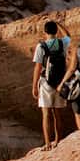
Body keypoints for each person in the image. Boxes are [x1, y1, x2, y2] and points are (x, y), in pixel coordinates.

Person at [31, 20, 70, 150]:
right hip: (60, 83)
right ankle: (58, 141)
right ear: (56, 31)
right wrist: (59, 24)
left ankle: (48, 144)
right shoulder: (62, 43)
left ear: (45, 32)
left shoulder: (41, 46)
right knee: (57, 114)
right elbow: (68, 35)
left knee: (46, 114)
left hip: (46, 83)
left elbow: (37, 67)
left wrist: (34, 86)